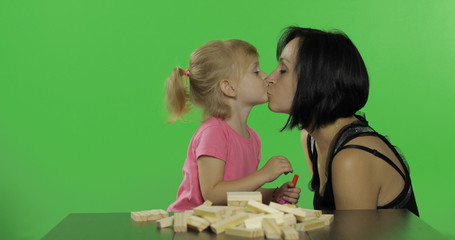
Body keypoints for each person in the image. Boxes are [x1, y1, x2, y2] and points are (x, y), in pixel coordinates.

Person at [266, 26, 419, 216]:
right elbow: (332, 222)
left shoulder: (352, 158)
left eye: (283, 70)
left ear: (317, 81)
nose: (269, 78)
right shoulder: (310, 139)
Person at [166, 39, 301, 212]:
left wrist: (274, 194)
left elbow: (241, 192)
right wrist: (264, 174)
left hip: (222, 224)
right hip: (190, 226)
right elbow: (213, 195)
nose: (266, 76)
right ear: (229, 87)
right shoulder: (213, 133)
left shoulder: (253, 138)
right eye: (256, 71)